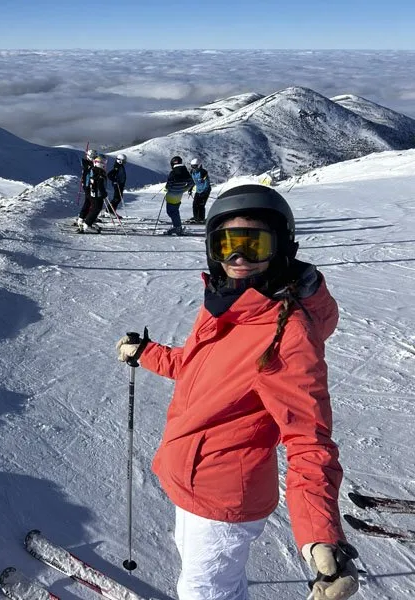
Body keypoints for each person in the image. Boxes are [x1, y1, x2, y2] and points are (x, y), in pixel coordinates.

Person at [115, 184, 359, 600]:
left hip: (223, 498)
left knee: (203, 592)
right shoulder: (227, 305)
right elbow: (197, 368)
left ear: (282, 250)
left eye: (254, 245)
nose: (239, 259)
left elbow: (308, 440)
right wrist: (148, 352)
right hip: (191, 482)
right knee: (207, 578)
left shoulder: (287, 333)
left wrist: (320, 536)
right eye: (228, 245)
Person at [163, 156, 194, 235]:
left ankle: (177, 227)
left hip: (171, 196)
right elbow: (191, 183)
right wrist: (183, 189)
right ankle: (177, 226)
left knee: (171, 212)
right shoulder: (185, 172)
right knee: (175, 211)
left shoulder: (173, 173)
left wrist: (168, 188)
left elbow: (169, 185)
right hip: (178, 196)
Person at [77, 154, 108, 233]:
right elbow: (100, 185)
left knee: (95, 207)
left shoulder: (94, 169)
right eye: (103, 162)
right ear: (99, 163)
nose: (104, 163)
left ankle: (87, 222)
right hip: (97, 194)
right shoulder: (99, 171)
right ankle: (87, 224)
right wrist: (104, 193)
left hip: (93, 192)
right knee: (96, 208)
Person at [76, 148, 97, 225]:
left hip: (89, 184)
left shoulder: (91, 163)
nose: (94, 158)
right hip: (87, 184)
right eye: (93, 156)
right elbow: (88, 169)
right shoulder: (86, 163)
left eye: (95, 156)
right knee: (90, 202)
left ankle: (83, 217)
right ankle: (83, 218)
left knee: (88, 202)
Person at [187, 157, 211, 224]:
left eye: (195, 166)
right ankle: (196, 217)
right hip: (198, 190)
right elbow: (193, 181)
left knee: (201, 205)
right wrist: (190, 188)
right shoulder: (192, 172)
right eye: (192, 166)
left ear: (199, 165)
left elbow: (207, 182)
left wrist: (205, 191)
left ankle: (201, 218)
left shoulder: (203, 172)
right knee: (195, 204)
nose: (194, 168)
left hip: (205, 190)